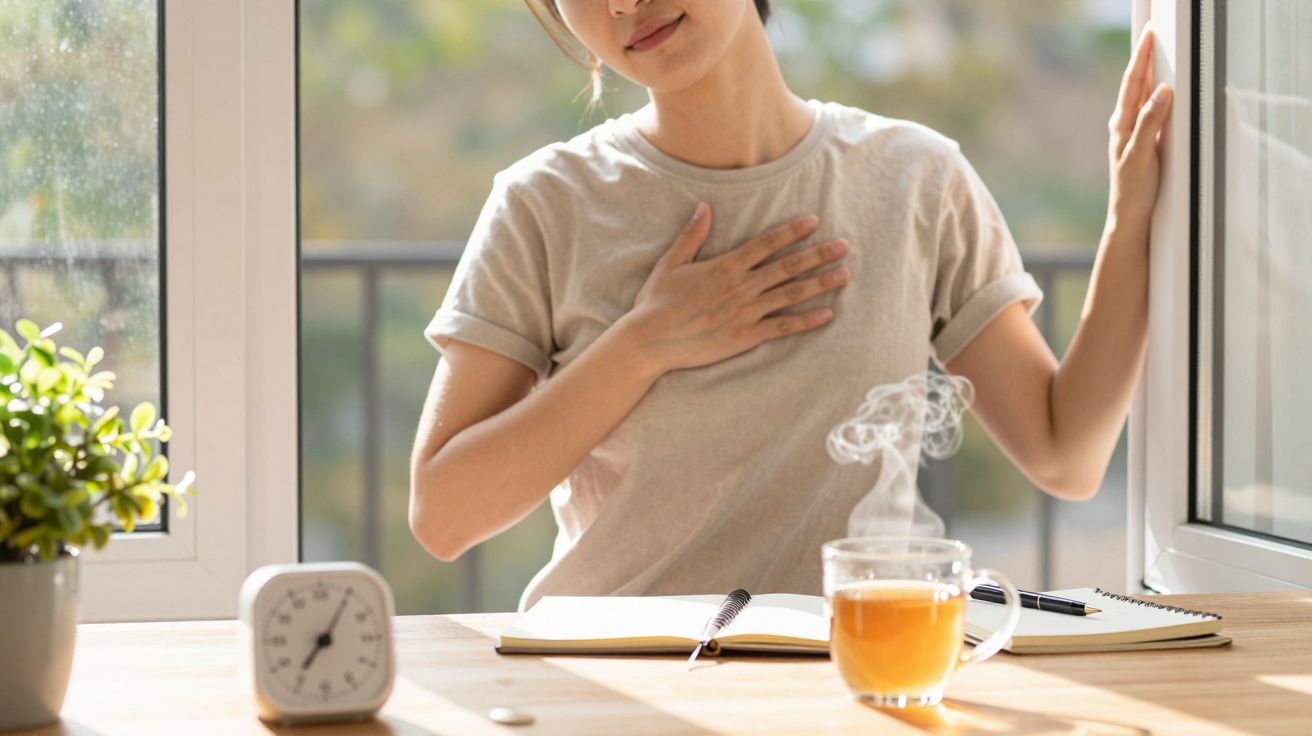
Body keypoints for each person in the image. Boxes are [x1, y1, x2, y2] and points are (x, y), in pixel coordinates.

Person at [408, 0, 1173, 611]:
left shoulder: (915, 179)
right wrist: (644, 343)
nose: (622, 3)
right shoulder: (544, 204)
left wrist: (1130, 217)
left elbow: (1064, 451)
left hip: (864, 671)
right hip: (628, 681)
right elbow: (443, 516)